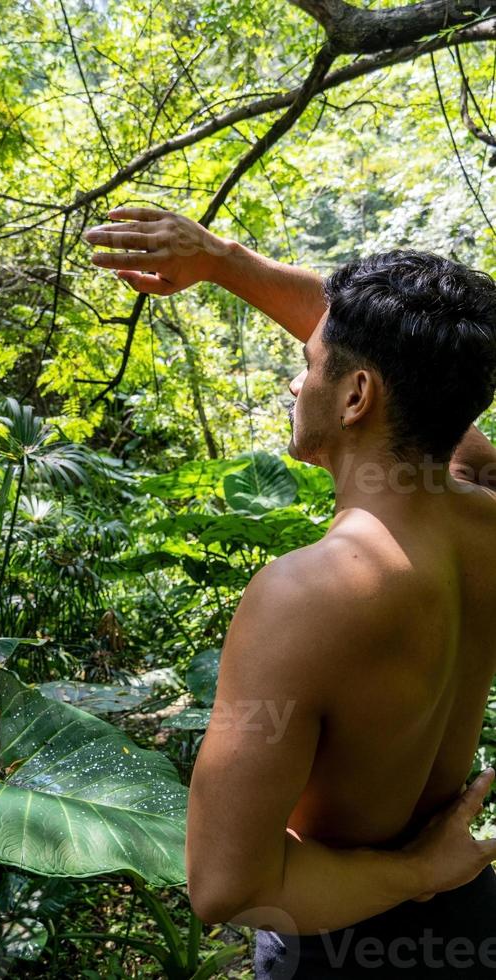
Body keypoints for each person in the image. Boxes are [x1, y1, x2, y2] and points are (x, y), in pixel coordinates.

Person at [84, 208, 496, 977]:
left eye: (308, 363)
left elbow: (225, 887)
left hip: (340, 937)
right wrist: (225, 261)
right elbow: (428, 387)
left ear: (355, 396)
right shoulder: (483, 515)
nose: (295, 378)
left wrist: (415, 873)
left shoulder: (304, 595)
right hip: (470, 915)